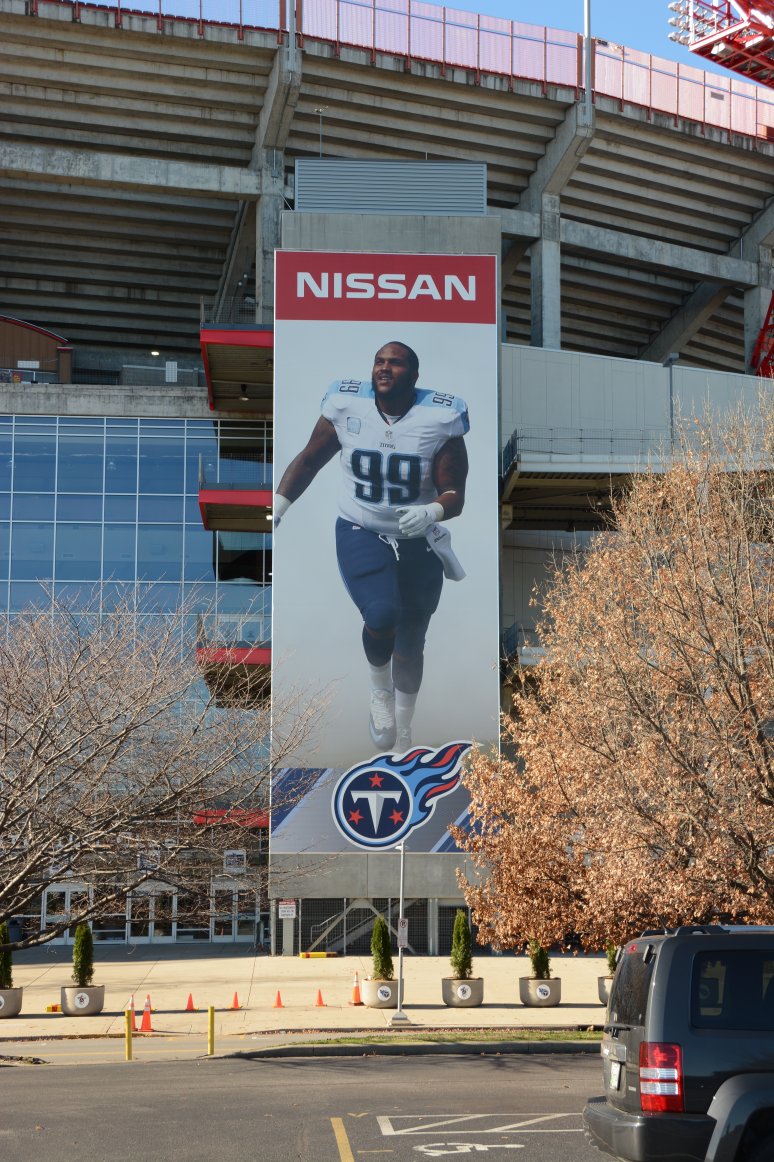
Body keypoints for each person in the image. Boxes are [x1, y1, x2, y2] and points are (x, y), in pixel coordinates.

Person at [274, 340, 469, 752]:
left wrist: (432, 510)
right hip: (361, 527)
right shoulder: (346, 405)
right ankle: (380, 692)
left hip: (418, 538)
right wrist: (279, 505)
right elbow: (309, 459)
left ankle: (404, 724)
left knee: (411, 642)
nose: (384, 368)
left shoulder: (440, 418)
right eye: (379, 361)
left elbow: (455, 493)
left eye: (395, 363)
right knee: (381, 614)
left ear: (414, 376)